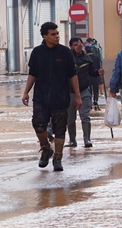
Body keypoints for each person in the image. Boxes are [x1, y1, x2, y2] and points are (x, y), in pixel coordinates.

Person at [22, 22, 82, 172]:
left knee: (60, 129)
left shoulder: (65, 53)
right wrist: (26, 92)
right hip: (41, 97)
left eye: (57, 34)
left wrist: (78, 96)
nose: (57, 37)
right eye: (53, 34)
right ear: (44, 36)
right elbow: (33, 74)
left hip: (60, 97)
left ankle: (58, 158)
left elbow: (72, 75)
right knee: (38, 124)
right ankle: (46, 149)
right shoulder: (37, 52)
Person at [67, 37, 100, 148]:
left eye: (80, 43)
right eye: (76, 44)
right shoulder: (67, 58)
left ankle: (87, 139)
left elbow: (92, 72)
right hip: (70, 92)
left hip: (84, 90)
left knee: (85, 116)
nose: (79, 46)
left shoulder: (87, 58)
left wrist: (98, 72)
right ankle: (72, 140)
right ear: (71, 46)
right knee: (70, 118)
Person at [86, 37, 105, 109]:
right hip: (96, 75)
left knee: (89, 89)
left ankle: (90, 102)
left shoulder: (85, 57)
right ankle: (96, 101)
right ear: (91, 49)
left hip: (88, 76)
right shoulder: (96, 57)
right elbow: (99, 65)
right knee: (95, 89)